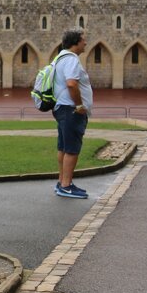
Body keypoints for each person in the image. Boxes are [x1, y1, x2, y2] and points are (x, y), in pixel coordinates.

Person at [52, 29, 93, 199]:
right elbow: (71, 84)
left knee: (63, 147)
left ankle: (62, 181)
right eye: (83, 40)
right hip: (70, 109)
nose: (86, 43)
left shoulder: (59, 58)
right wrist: (79, 106)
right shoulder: (71, 60)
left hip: (62, 108)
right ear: (75, 42)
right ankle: (66, 186)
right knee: (72, 149)